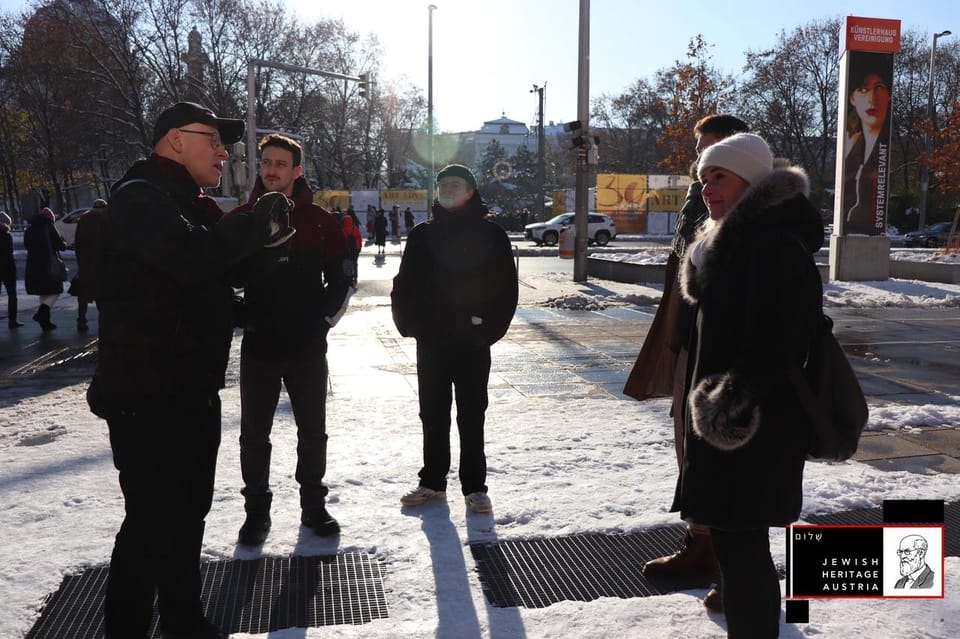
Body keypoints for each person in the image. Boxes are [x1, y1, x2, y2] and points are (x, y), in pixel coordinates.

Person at [87, 101, 293, 639]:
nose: (226, 152)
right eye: (215, 141)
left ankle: (184, 621)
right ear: (176, 140)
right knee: (151, 526)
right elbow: (189, 260)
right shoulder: (141, 198)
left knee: (188, 517)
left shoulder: (191, 202)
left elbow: (223, 266)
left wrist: (269, 237)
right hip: (146, 395)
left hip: (191, 390)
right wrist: (250, 226)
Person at [675, 133, 823, 637]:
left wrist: (727, 406)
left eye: (718, 176)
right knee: (739, 548)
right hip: (734, 424)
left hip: (752, 425)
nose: (707, 189)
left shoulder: (772, 243)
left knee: (741, 553)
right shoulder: (732, 243)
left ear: (751, 178)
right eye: (702, 180)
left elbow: (780, 337)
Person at [634, 114, 749, 611]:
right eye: (699, 152)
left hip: (730, 353)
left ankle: (735, 566)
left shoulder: (751, 213)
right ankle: (701, 543)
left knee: (731, 455)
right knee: (688, 442)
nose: (703, 165)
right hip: (692, 339)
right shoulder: (696, 204)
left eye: (714, 152)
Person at [229, 133, 351, 546]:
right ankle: (255, 513)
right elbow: (216, 276)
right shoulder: (245, 217)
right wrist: (240, 313)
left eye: (281, 163)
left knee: (312, 431)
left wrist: (323, 321)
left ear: (297, 170)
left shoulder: (318, 221)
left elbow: (341, 276)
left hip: (307, 347)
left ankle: (313, 506)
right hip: (260, 347)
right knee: (253, 435)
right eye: (266, 162)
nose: (271, 169)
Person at [391, 164, 518, 513]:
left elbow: (507, 290)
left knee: (472, 414)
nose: (448, 189)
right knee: (432, 414)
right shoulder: (422, 235)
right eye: (443, 184)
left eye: (456, 184)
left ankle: (475, 486)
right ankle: (432, 481)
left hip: (472, 343)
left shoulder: (492, 235)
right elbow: (404, 286)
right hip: (431, 344)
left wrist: (486, 331)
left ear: (470, 191)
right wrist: (411, 325)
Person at [842, 56, 892, 235]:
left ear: (889, 96)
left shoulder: (884, 152)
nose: (872, 98)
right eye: (864, 89)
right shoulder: (850, 148)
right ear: (853, 98)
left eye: (879, 88)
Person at [24, 207, 67, 331]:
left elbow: (27, 244)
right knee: (55, 290)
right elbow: (59, 245)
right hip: (48, 264)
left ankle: (45, 322)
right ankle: (42, 313)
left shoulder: (30, 229)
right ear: (50, 218)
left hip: (33, 265)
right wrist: (64, 243)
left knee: (44, 292)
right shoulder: (49, 227)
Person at [71, 198, 108, 332]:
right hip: (102, 263)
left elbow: (78, 242)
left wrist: (81, 261)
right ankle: (104, 324)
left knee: (83, 295)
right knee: (101, 296)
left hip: (86, 263)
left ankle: (81, 321)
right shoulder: (106, 219)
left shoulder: (84, 219)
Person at [0, 211, 21, 328]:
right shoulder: (7, 236)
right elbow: (9, 253)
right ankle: (12, 320)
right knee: (12, 295)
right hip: (7, 268)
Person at [342, 210, 363, 288]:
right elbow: (359, 238)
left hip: (347, 250)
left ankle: (349, 276)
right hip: (355, 249)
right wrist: (359, 247)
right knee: (355, 263)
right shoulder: (355, 229)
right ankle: (355, 276)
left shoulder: (343, 230)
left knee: (348, 263)